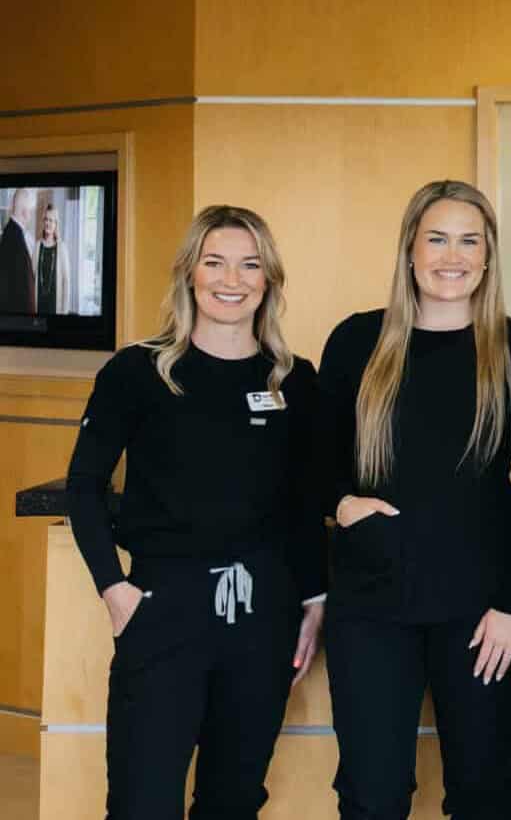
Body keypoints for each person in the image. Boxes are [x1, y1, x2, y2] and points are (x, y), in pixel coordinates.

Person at [63, 204, 329, 818]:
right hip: (164, 609)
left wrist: (314, 598)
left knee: (233, 800)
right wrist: (115, 591)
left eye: (249, 265)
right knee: (143, 801)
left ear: (269, 279)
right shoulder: (137, 371)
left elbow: (303, 501)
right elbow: (84, 486)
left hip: (263, 614)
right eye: (215, 262)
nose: (231, 280)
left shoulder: (293, 380)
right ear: (189, 272)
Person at [317, 180, 511, 819]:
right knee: (372, 795)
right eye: (438, 239)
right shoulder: (358, 340)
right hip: (371, 603)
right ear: (410, 250)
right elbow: (312, 458)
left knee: (482, 792)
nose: (453, 256)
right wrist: (341, 502)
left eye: (469, 241)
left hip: (481, 609)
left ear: (488, 255)